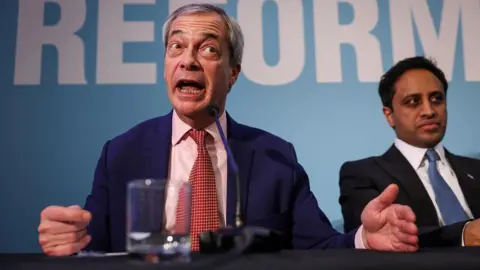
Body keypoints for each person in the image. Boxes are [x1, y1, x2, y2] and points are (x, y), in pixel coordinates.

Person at [38, 4, 418, 256]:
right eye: (176, 47)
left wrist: (366, 238)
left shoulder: (274, 156)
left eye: (208, 50)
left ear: (233, 73)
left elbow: (317, 246)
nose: (187, 60)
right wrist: (71, 242)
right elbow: (95, 249)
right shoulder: (122, 152)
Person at [339, 56, 480, 247]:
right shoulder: (361, 174)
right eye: (413, 101)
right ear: (389, 115)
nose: (429, 111)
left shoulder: (475, 169)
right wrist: (463, 235)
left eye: (437, 99)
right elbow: (374, 237)